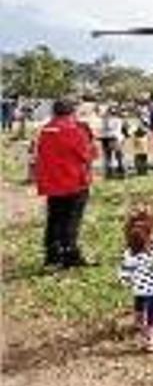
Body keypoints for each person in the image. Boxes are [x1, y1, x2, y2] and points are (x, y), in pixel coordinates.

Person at [34, 98, 97, 268]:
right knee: (71, 220)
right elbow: (88, 155)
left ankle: (52, 254)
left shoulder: (46, 130)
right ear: (71, 112)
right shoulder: (74, 130)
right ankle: (70, 254)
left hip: (52, 183)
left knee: (54, 218)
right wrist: (90, 138)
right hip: (73, 182)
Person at [118, 207, 153, 352]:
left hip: (139, 287)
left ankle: (138, 320)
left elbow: (124, 272)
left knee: (139, 302)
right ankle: (151, 339)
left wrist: (125, 281)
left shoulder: (129, 254)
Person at [99, 107, 126, 178]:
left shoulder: (107, 120)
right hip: (112, 138)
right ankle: (115, 170)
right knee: (114, 155)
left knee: (113, 155)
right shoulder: (117, 120)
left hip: (112, 138)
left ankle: (116, 170)